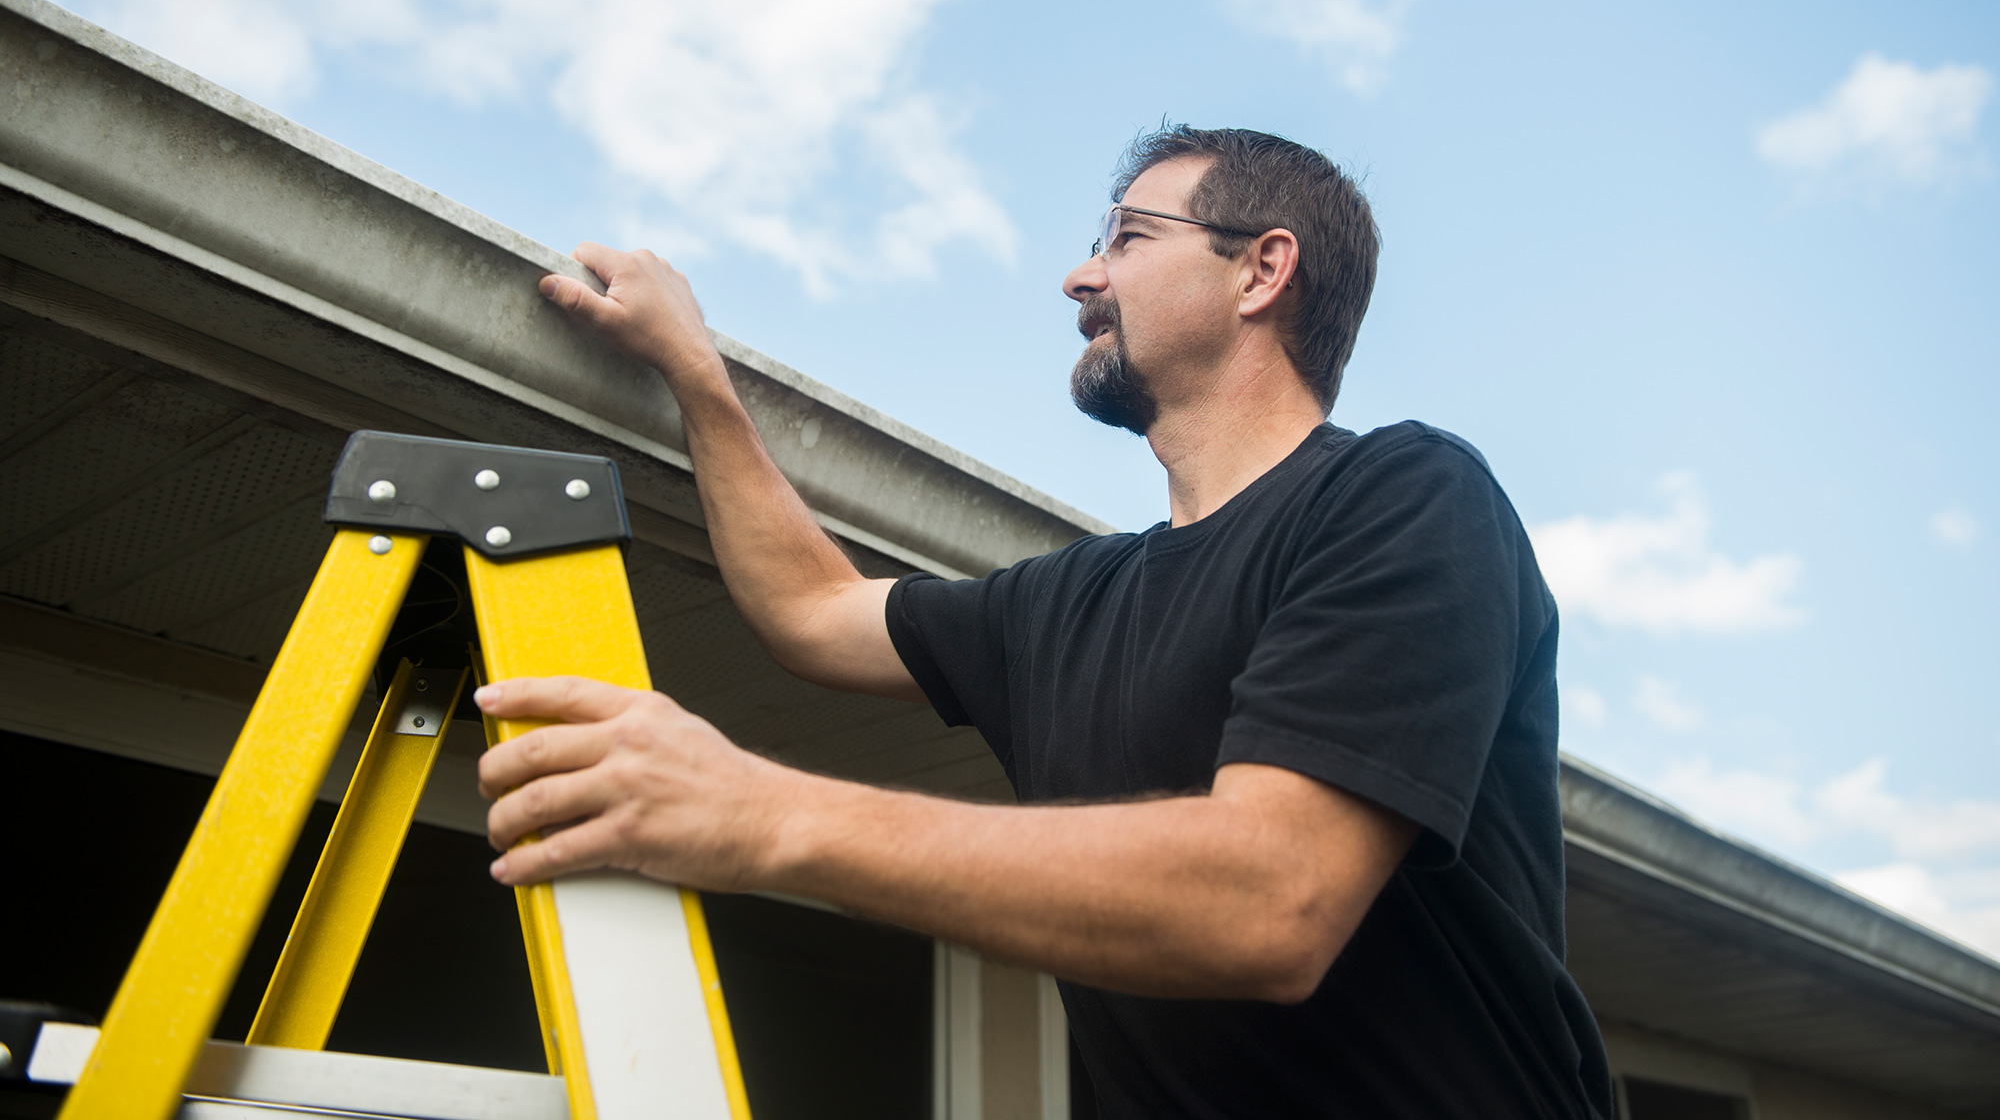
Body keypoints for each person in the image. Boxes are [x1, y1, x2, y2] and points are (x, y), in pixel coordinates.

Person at [474, 126, 1613, 1118]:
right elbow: (813, 612)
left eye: (1126, 237)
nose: (1079, 275)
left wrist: (757, 813)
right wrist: (695, 375)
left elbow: (1275, 895)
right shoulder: (1067, 602)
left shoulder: (1405, 497)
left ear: (1262, 269)